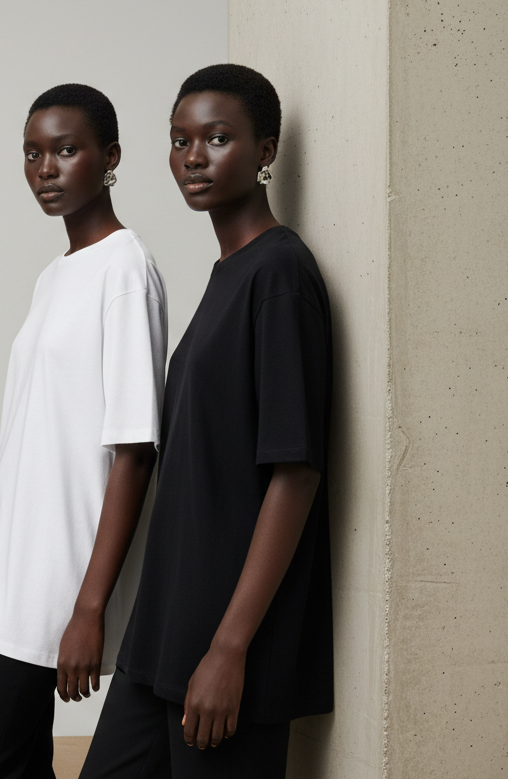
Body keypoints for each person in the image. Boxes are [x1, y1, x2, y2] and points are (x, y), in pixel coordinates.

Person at [80, 64, 333, 779]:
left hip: (226, 651)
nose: (193, 156)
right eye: (180, 139)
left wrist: (229, 650)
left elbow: (295, 473)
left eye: (218, 138)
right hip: (163, 635)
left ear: (265, 151)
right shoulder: (228, 276)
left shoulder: (280, 276)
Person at [0, 84, 168, 779]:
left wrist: (89, 608)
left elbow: (134, 450)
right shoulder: (54, 276)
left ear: (110, 158)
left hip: (61, 584)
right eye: (33, 153)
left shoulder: (125, 270)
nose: (46, 168)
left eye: (66, 150)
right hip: (14, 581)